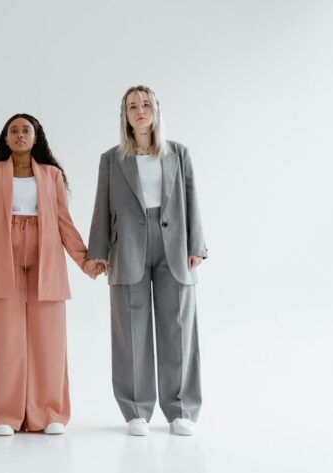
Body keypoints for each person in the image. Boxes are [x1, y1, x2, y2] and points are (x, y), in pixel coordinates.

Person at [0, 113, 95, 436]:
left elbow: (63, 222)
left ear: (36, 136)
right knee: (5, 340)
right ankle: (5, 415)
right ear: (5, 138)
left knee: (50, 340)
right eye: (13, 130)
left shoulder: (52, 175)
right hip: (3, 258)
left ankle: (49, 413)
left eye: (25, 130)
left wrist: (85, 261)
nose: (19, 135)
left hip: (46, 259)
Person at [87, 85, 208, 436]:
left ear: (156, 110)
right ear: (124, 116)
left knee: (178, 327)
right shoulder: (112, 159)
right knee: (131, 328)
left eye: (145, 104)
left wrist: (196, 244)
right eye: (132, 106)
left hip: (175, 245)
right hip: (127, 247)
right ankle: (136, 410)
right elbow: (102, 206)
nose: (140, 110)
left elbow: (192, 199)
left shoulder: (178, 153)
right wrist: (98, 253)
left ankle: (181, 409)